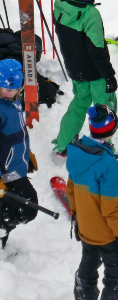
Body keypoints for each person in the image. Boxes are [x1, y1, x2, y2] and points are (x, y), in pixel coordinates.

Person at [66, 104, 118, 300]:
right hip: (107, 234)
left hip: (86, 228)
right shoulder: (108, 164)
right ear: (112, 130)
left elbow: (70, 191)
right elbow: (111, 208)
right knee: (115, 276)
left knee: (88, 266)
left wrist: (77, 218)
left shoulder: (77, 153)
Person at [52, 0, 117, 157]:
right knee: (104, 107)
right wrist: (109, 76)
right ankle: (104, 146)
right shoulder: (90, 14)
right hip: (95, 72)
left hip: (74, 69)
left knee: (79, 103)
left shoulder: (61, 4)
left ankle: (63, 144)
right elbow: (97, 51)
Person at [0, 59, 38, 249]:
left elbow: (15, 135)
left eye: (13, 89)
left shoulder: (13, 102)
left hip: (15, 165)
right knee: (28, 207)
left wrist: (25, 155)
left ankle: (2, 236)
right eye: (5, 88)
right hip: (7, 172)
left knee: (17, 207)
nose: (9, 92)